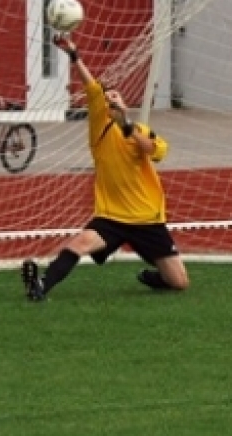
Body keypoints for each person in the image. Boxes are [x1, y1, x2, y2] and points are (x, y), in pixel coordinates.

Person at [21, 35, 189, 301]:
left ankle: (153, 276)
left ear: (123, 106)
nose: (110, 100)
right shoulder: (100, 131)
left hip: (147, 218)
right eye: (107, 99)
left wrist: (127, 127)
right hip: (112, 216)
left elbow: (156, 152)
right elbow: (93, 86)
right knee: (81, 242)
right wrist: (74, 56)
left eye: (116, 98)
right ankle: (41, 285)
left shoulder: (140, 131)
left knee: (179, 283)